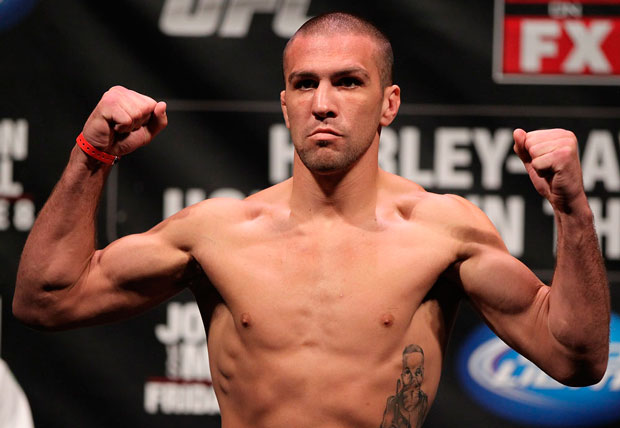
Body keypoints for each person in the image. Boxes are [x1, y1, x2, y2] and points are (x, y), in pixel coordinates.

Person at [13, 12, 610, 428]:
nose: (323, 103)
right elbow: (45, 300)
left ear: (389, 104)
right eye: (305, 85)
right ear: (285, 104)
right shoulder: (217, 233)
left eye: (348, 82)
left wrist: (572, 211)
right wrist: (92, 155)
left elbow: (576, 359)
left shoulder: (443, 233)